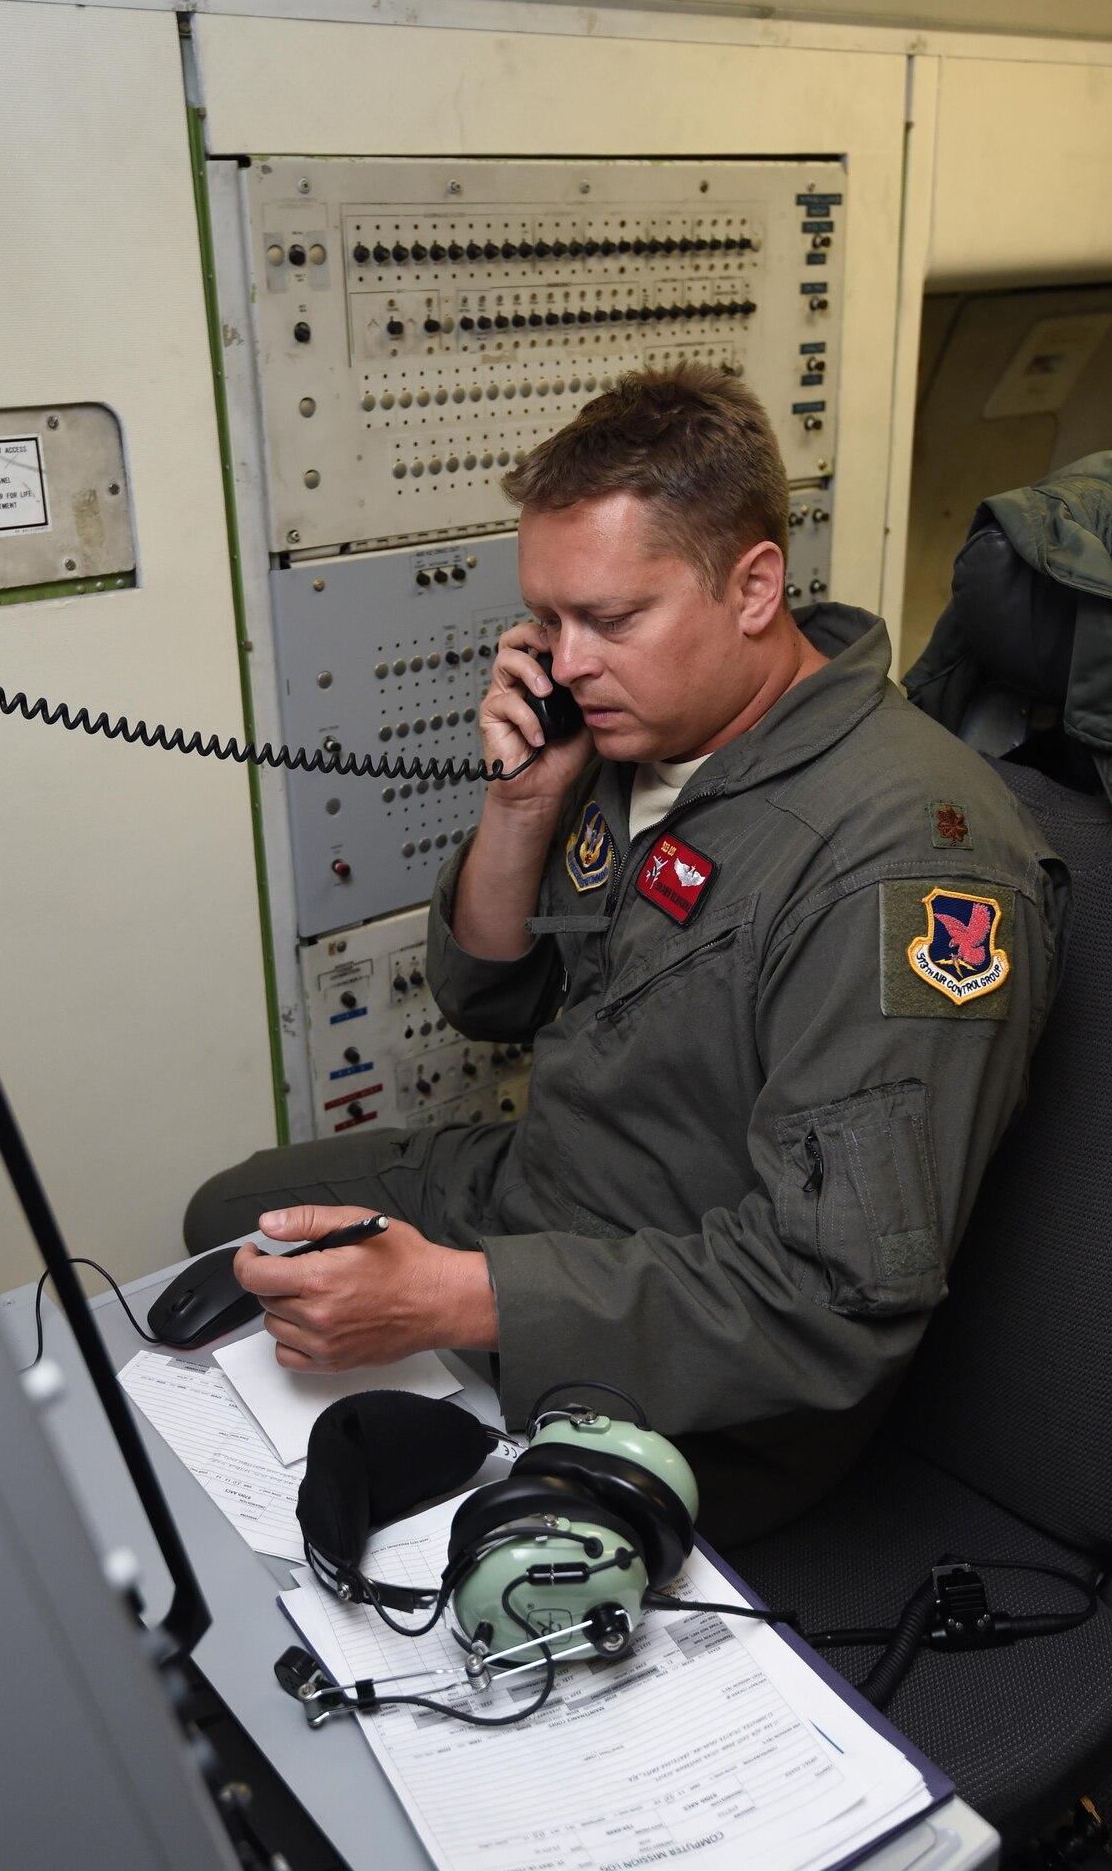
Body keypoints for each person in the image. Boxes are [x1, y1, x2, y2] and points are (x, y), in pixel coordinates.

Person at [186, 364, 1067, 1543]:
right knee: (224, 1223)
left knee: (360, 1532)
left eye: (609, 619)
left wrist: (447, 1295)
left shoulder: (906, 864)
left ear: (753, 586)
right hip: (550, 1188)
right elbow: (486, 997)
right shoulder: (637, 736)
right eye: (547, 619)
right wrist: (520, 809)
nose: (567, 661)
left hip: (703, 1331)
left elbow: (828, 1300)